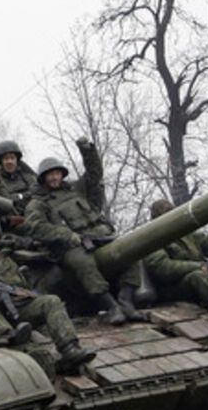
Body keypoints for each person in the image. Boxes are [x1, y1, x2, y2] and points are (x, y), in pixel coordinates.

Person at [0, 214, 95, 371]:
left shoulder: (6, 257)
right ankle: (8, 334)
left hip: (17, 307)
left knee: (51, 301)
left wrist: (25, 293)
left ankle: (69, 348)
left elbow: (21, 284)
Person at [23, 138, 145, 324]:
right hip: (70, 247)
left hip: (101, 236)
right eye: (50, 175)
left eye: (57, 173)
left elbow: (94, 175)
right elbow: (36, 227)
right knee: (84, 264)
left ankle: (126, 300)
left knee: (130, 250)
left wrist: (88, 151)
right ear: (43, 178)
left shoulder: (76, 190)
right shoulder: (38, 203)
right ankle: (110, 306)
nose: (55, 178)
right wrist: (67, 235)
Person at [0, 139, 38, 217]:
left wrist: (20, 197)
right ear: (1, 162)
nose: (9, 161)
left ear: (17, 160)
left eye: (12, 158)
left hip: (30, 216)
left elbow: (38, 193)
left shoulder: (28, 177)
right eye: (6, 159)